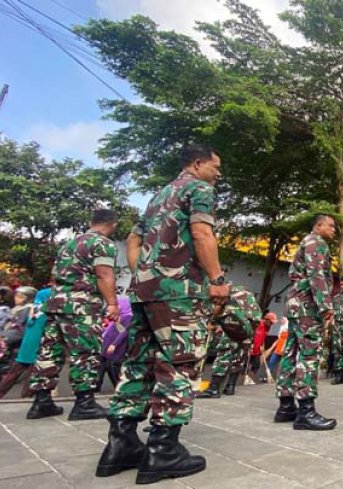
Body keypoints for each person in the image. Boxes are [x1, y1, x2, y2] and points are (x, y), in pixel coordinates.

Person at [95, 144, 229, 485]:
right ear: (198, 164)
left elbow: (132, 239)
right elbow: (202, 233)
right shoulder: (200, 189)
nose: (219, 173)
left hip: (144, 293)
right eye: (216, 166)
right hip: (179, 295)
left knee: (138, 364)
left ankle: (120, 445)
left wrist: (146, 274)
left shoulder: (160, 194)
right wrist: (217, 279)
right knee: (178, 364)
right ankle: (163, 450)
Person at [26, 209, 119, 421]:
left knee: (49, 351)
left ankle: (41, 401)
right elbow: (104, 274)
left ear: (91, 222)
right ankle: (84, 403)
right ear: (113, 224)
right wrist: (112, 303)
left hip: (56, 302)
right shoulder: (102, 243)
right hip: (81, 305)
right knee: (85, 352)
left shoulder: (69, 244)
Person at [273, 214, 336, 431]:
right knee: (309, 355)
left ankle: (286, 406)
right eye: (330, 226)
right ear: (318, 226)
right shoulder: (317, 243)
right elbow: (316, 276)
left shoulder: (306, 242)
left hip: (295, 306)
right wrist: (326, 307)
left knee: (290, 353)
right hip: (307, 307)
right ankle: (306, 412)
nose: (333, 230)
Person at [197, 285, 260, 398]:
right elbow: (257, 318)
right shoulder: (247, 295)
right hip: (248, 329)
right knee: (239, 357)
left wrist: (212, 321)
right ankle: (230, 387)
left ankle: (214, 389)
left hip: (233, 326)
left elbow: (218, 307)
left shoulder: (222, 292)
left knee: (224, 355)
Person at [0, 287, 50, 399]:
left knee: (14, 373)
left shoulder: (33, 309)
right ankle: (26, 398)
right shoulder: (43, 312)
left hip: (26, 343)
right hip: (38, 344)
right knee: (31, 374)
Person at [95, 295, 133, 393]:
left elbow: (123, 332)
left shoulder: (128, 317)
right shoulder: (116, 316)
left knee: (114, 367)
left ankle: (120, 388)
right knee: (102, 367)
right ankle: (96, 387)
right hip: (106, 347)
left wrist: (114, 344)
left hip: (117, 348)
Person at [248, 312, 270, 382]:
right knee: (246, 363)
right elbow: (251, 334)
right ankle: (244, 377)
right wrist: (250, 344)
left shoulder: (267, 327)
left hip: (257, 349)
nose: (272, 324)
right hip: (251, 347)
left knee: (256, 364)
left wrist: (263, 346)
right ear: (267, 320)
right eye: (271, 322)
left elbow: (263, 337)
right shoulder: (258, 324)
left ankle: (251, 377)